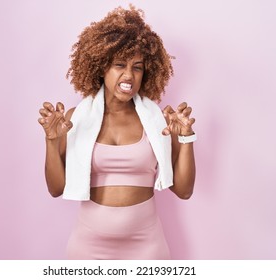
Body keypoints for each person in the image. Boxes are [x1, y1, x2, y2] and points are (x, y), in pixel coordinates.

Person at [38, 5, 196, 260]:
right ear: (101, 67)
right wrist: (52, 140)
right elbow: (56, 188)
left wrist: (187, 137)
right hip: (88, 247)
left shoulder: (159, 122)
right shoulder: (74, 119)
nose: (129, 75)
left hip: (147, 246)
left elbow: (184, 190)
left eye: (137, 67)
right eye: (119, 64)